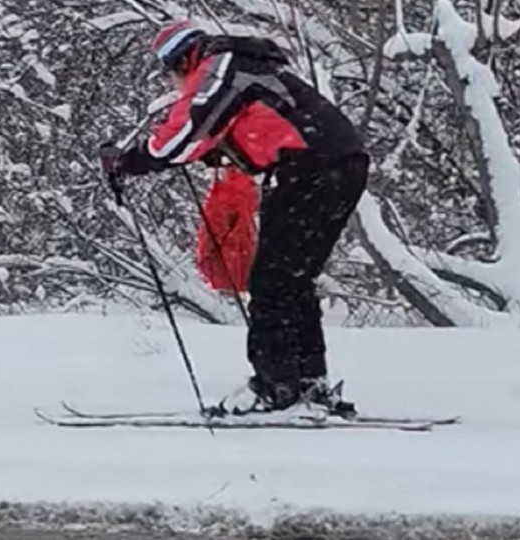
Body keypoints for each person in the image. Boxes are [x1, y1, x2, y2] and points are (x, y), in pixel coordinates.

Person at [99, 21, 368, 418]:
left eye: (169, 71)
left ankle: (276, 388)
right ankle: (308, 383)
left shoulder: (220, 65)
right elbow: (235, 126)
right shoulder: (246, 67)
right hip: (336, 164)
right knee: (291, 280)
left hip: (313, 168)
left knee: (272, 282)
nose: (172, 81)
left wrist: (128, 160)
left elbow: (188, 127)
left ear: (180, 58)